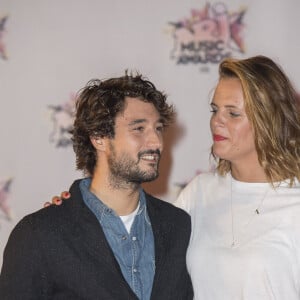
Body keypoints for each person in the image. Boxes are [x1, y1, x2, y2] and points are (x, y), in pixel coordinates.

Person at [0, 73, 193, 299]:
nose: (156, 142)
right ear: (99, 137)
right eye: (139, 129)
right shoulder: (39, 234)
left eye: (158, 128)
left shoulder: (178, 226)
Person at [175, 55, 300, 299]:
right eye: (215, 110)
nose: (216, 122)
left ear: (268, 121)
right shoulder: (198, 192)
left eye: (233, 114)